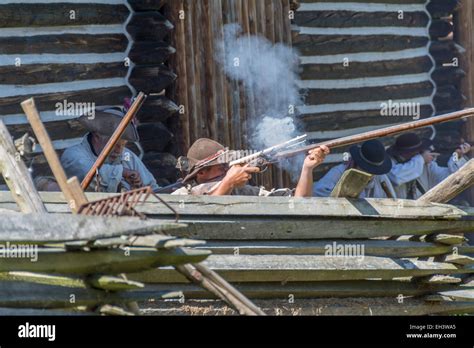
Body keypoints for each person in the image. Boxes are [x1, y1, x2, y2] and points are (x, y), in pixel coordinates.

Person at [172, 138, 329, 196]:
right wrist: (228, 183)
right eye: (221, 167)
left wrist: (307, 168)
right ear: (201, 173)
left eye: (228, 166)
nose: (228, 170)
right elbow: (201, 218)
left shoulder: (243, 191)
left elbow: (300, 203)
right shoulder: (182, 195)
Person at [61, 106, 159, 193]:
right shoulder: (72, 155)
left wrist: (141, 188)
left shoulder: (127, 156)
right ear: (97, 136)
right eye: (115, 144)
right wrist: (122, 173)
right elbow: (89, 175)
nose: (119, 150)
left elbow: (153, 189)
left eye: (123, 145)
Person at [387, 133, 470, 199]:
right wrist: (421, 158)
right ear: (409, 152)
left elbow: (450, 177)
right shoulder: (390, 164)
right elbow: (396, 178)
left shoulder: (424, 164)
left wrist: (457, 156)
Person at [313, 139, 396, 198]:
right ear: (358, 163)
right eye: (366, 169)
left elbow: (391, 202)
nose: (370, 174)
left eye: (372, 171)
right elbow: (317, 193)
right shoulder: (339, 172)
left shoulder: (381, 178)